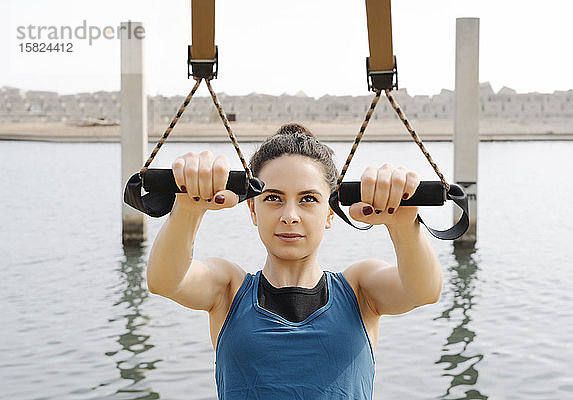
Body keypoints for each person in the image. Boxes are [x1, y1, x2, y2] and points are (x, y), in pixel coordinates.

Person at [146, 123, 442, 399]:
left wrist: (404, 224)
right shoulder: (227, 289)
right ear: (252, 209)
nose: (290, 215)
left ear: (329, 212)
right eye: (273, 198)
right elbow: (165, 281)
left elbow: (423, 291)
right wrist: (187, 207)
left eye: (308, 199)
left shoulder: (361, 288)